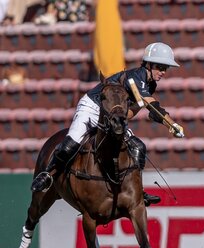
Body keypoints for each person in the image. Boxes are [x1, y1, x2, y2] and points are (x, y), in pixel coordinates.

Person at [31, 42, 184, 207]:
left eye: (165, 68)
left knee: (138, 148)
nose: (163, 72)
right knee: (71, 143)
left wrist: (130, 119)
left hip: (112, 116)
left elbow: (132, 111)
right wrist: (171, 123)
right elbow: (151, 103)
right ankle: (48, 175)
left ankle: (136, 189)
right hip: (92, 106)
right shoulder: (136, 77)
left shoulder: (150, 85)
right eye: (160, 67)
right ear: (148, 64)